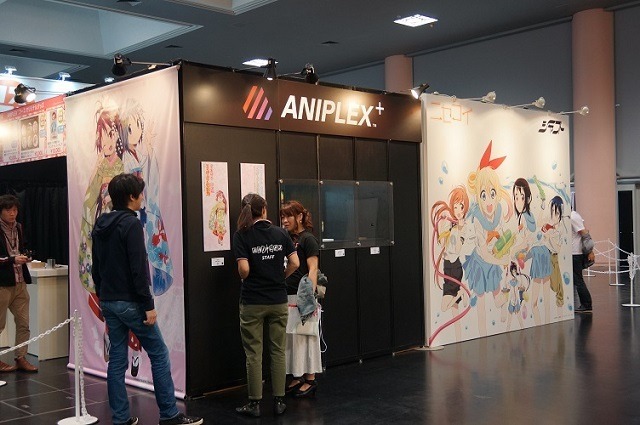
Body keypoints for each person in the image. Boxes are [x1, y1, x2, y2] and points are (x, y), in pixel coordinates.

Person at [91, 173, 203, 425]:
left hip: (109, 300)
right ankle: (169, 415)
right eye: (140, 193)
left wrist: (103, 294)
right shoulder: (130, 224)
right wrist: (148, 306)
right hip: (131, 302)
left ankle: (121, 418)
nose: (142, 197)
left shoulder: (100, 224)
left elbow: (96, 267)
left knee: (117, 359)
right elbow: (138, 269)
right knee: (159, 353)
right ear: (131, 196)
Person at [233, 193, 299, 418]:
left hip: (252, 301)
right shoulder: (280, 233)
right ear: (264, 210)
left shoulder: (242, 235)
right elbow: (295, 262)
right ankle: (279, 400)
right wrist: (280, 277)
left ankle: (255, 403)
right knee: (278, 350)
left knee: (254, 353)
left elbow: (244, 269)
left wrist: (247, 276)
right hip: (278, 300)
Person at [280, 200, 323, 397]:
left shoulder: (308, 239)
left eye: (288, 216)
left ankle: (310, 379)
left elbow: (313, 268)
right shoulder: (287, 238)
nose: (284, 220)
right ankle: (297, 375)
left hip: (302, 296)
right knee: (292, 339)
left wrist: (309, 297)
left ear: (299, 216)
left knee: (306, 336)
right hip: (288, 295)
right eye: (282, 216)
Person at [0, 194, 38, 373]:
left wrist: (25, 255)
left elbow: (21, 248)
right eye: (8, 210)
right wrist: (12, 259)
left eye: (15, 210)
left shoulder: (19, 227)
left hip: (20, 281)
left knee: (24, 323)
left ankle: (21, 357)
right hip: (2, 284)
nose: (12, 213)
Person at [571, 209, 594, 313]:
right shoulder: (571, 216)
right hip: (573, 252)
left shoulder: (573, 216)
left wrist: (589, 251)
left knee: (578, 280)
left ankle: (586, 304)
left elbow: (584, 233)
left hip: (575, 253)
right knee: (577, 279)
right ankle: (586, 304)